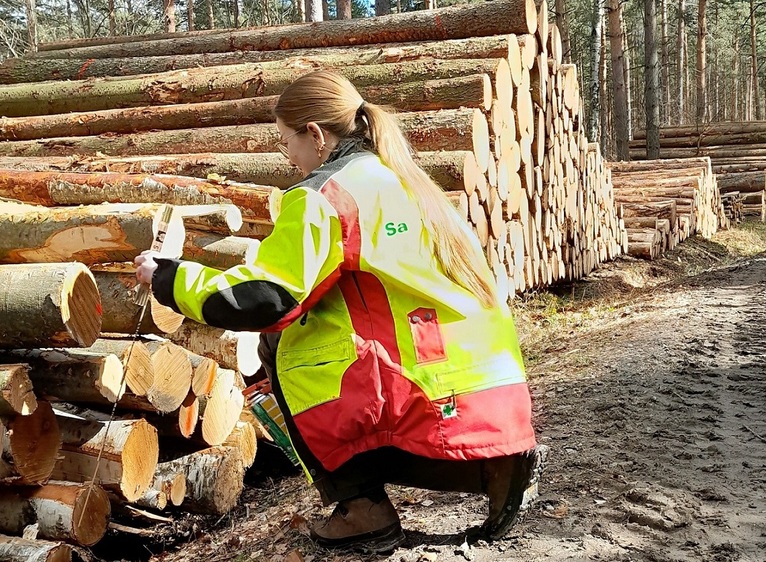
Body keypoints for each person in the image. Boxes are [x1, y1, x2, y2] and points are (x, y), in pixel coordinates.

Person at [135, 71, 543, 554]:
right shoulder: (407, 179)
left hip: (421, 371)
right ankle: (493, 467)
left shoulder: (325, 194)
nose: (288, 156)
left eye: (286, 142)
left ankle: (361, 507)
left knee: (284, 347)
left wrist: (170, 278)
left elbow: (269, 296)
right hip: (486, 375)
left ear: (314, 134)